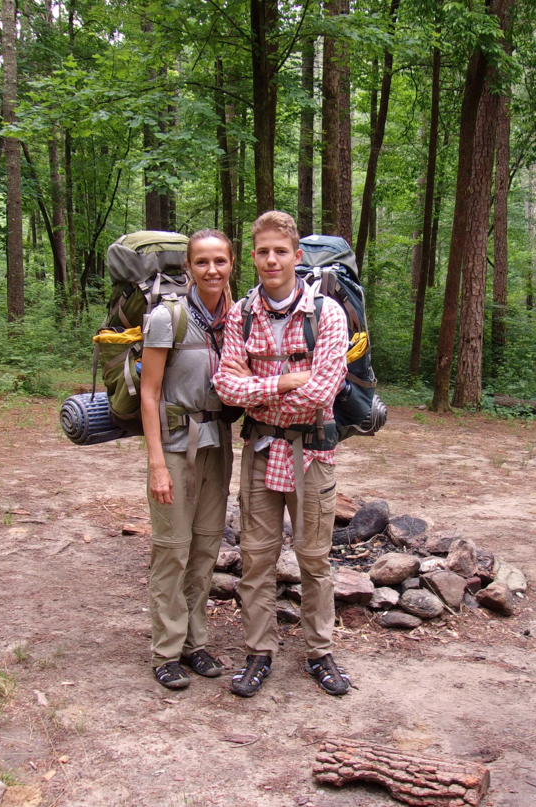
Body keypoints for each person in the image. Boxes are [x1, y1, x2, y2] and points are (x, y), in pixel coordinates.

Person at [213, 210, 351, 698]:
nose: (271, 259)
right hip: (259, 446)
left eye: (280, 251)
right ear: (252, 256)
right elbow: (227, 387)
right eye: (262, 251)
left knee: (314, 558)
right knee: (256, 557)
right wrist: (282, 382)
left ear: (296, 255)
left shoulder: (327, 314)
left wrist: (259, 389)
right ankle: (259, 652)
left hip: (312, 451)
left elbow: (321, 392)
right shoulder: (240, 314)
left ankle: (320, 651)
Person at [140, 229, 234, 690]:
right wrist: (157, 463)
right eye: (202, 262)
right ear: (189, 268)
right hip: (176, 448)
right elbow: (150, 392)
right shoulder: (167, 318)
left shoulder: (235, 320)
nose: (211, 270)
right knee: (172, 551)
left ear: (231, 264)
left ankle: (196, 644)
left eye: (220, 260)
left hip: (218, 446)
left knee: (205, 549)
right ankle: (166, 650)